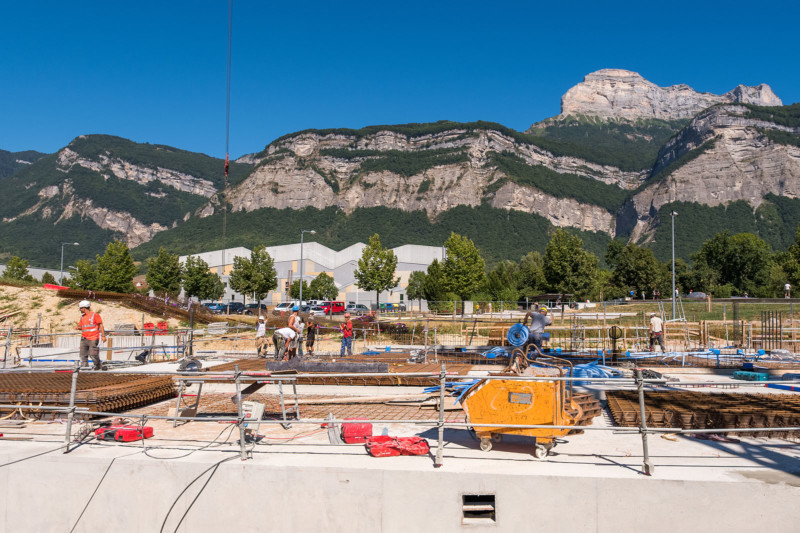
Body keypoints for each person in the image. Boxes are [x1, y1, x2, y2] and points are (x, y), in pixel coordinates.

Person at [76, 300, 106, 370]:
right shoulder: (82, 317)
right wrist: (78, 328)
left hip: (93, 338)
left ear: (84, 308)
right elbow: (83, 327)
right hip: (84, 339)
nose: (80, 310)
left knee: (93, 354)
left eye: (80, 308)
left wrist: (103, 336)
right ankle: (84, 368)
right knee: (83, 355)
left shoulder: (95, 315)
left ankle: (98, 366)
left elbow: (100, 325)